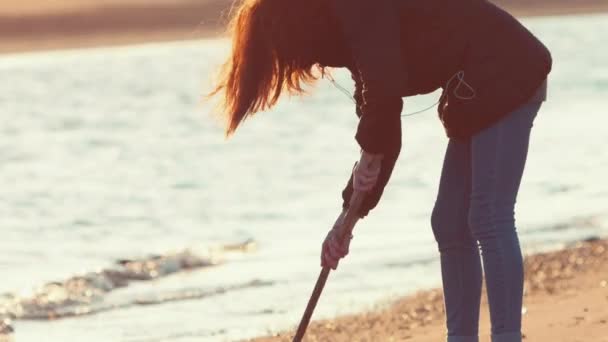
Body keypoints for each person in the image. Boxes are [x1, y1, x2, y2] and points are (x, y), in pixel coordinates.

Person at [209, 0, 552, 341]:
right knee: (449, 222)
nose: (301, 66)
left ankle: (507, 335)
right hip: (474, 89)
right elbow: (381, 127)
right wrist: (346, 221)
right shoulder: (346, 36)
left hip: (508, 67)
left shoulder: (357, 8)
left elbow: (384, 97)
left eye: (286, 54)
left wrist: (369, 155)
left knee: (489, 215)